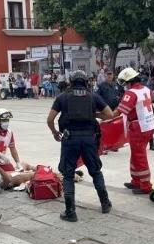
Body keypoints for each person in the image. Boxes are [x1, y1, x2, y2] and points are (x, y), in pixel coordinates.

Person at [47, 70, 113, 222]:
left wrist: (55, 133)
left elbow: (50, 119)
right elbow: (109, 115)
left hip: (69, 139)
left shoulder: (62, 97)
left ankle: (70, 212)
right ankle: (105, 204)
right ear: (85, 82)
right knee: (95, 171)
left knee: (68, 175)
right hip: (89, 139)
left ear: (71, 82)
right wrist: (93, 114)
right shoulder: (93, 96)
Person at [112, 68, 154, 194]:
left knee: (140, 156)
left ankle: (146, 185)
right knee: (136, 153)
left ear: (128, 82)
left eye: (125, 83)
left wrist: (102, 115)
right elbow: (153, 97)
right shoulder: (146, 89)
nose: (125, 86)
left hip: (138, 127)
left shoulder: (130, 93)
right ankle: (136, 180)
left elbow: (117, 113)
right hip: (149, 125)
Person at [0, 108, 38, 188]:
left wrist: (17, 162)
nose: (6, 122)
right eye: (3, 120)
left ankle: (27, 166)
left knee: (14, 172)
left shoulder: (9, 133)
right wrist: (0, 154)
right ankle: (33, 171)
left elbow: (13, 148)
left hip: (0, 161)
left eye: (7, 120)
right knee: (13, 176)